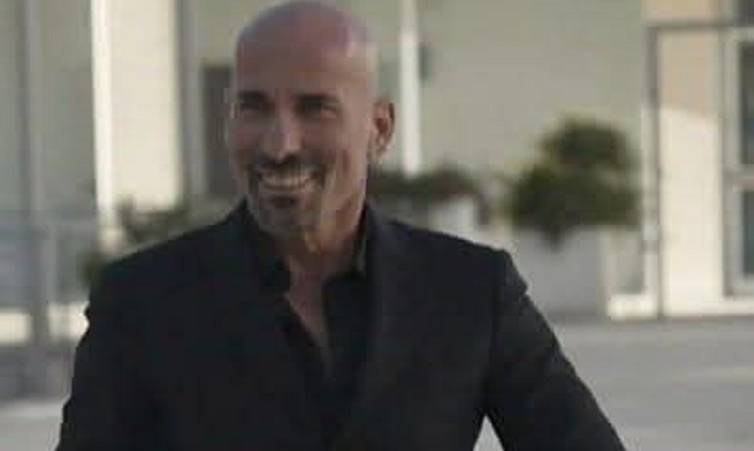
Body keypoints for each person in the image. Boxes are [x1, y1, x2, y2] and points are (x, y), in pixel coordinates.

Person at [56, 1, 626, 450]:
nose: (279, 144)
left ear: (379, 129)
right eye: (254, 107)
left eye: (314, 108)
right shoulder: (141, 303)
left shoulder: (472, 293)